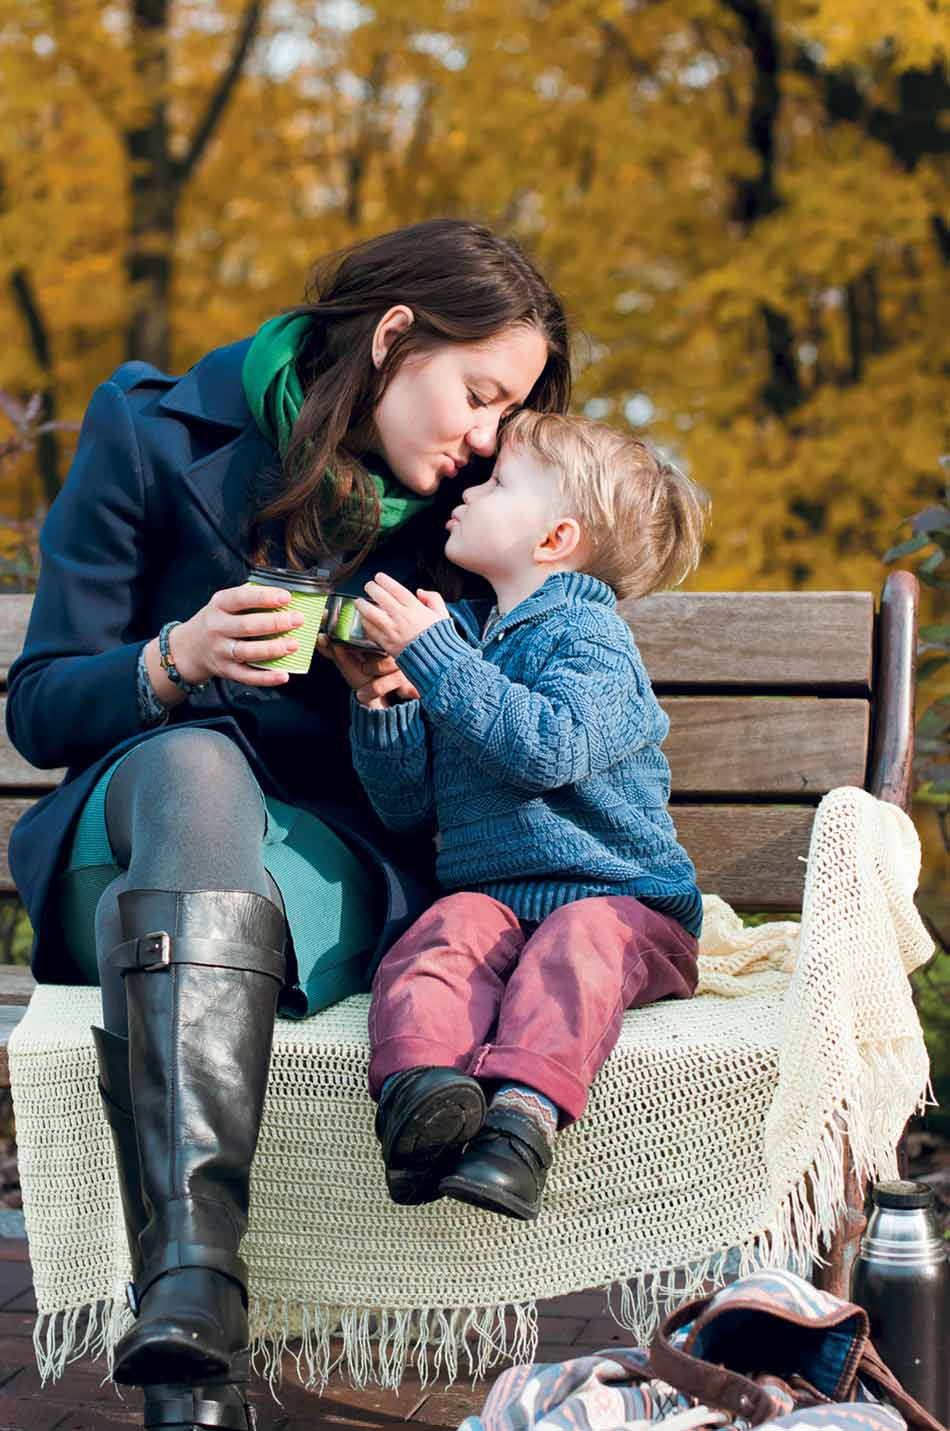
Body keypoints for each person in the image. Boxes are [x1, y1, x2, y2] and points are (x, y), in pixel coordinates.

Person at [4, 221, 570, 1428]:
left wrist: (401, 701)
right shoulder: (153, 432)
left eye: (503, 414)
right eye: (475, 396)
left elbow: (508, 748)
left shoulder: (471, 520)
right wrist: (172, 659)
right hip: (126, 855)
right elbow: (43, 705)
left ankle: (188, 1325)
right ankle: (197, 1288)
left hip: (327, 879)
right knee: (197, 763)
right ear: (393, 336)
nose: (484, 437)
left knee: (219, 777)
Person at [343, 411, 708, 1221]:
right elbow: (406, 806)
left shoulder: (592, 640)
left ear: (555, 539)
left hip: (623, 905)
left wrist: (436, 660)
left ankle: (520, 1126)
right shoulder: (465, 637)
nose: (473, 488)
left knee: (575, 945)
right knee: (441, 932)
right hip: (502, 902)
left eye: (501, 482)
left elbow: (549, 746)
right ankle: (420, 1101)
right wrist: (388, 704)